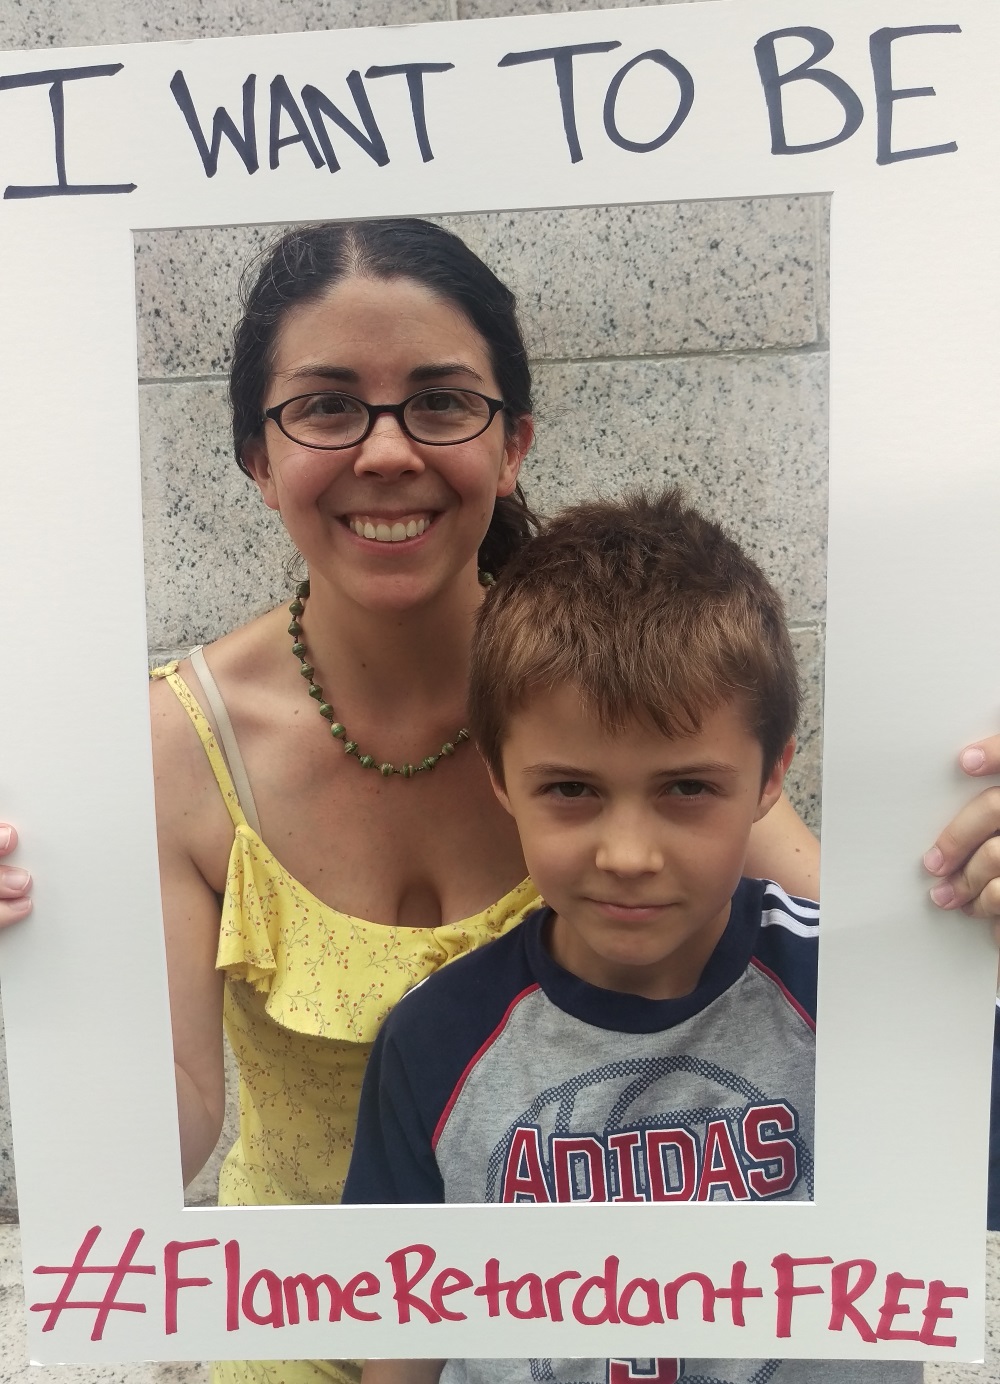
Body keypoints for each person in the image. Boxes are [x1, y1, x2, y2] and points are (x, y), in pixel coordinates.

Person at [0, 216, 990, 1378]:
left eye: (439, 400)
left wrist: (967, 884)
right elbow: (155, 1124)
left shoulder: (624, 696)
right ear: (256, 459)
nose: (385, 450)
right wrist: (40, 990)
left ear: (511, 440)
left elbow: (883, 993)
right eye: (325, 406)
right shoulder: (173, 748)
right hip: (301, 1331)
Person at [342, 488, 917, 1384]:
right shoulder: (433, 1039)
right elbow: (400, 1343)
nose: (629, 856)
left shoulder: (878, 999)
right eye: (571, 790)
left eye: (687, 788)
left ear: (772, 775)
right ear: (500, 778)